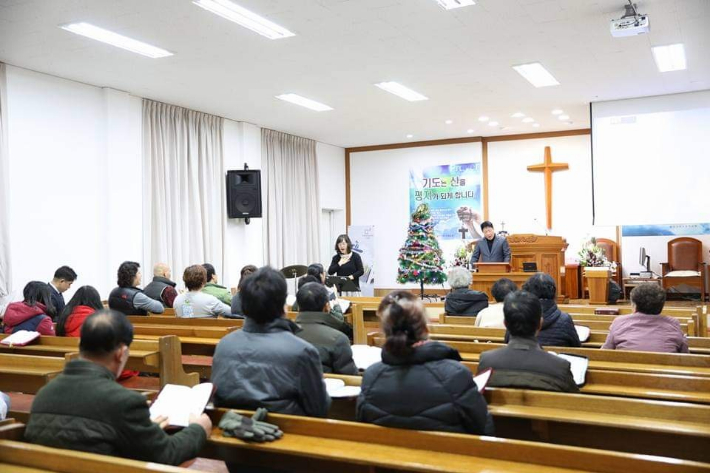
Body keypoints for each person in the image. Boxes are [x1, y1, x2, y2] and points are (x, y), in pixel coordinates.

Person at [25, 310, 211, 465]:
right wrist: (198, 428)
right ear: (121, 353)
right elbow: (167, 455)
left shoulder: (44, 393)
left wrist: (144, 429)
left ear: (81, 345)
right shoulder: (124, 402)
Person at [357, 291, 493, 435]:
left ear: (386, 332)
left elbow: (362, 424)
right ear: (425, 328)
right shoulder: (455, 374)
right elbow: (483, 428)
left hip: (385, 455)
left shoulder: (371, 376)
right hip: (447, 455)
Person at [211, 267, 330, 417]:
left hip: (228, 431)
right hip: (288, 433)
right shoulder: (302, 350)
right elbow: (318, 408)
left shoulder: (224, 345)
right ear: (283, 305)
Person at [477, 290, 579, 393]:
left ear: (505, 324)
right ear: (540, 324)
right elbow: (575, 402)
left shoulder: (486, 361)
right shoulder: (559, 366)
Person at [603, 283, 688, 353]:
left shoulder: (619, 321)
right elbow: (685, 354)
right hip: (664, 371)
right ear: (662, 305)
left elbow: (605, 352)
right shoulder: (673, 323)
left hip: (626, 371)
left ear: (634, 305)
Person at [295, 282, 358, 375]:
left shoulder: (283, 333)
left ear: (298, 307)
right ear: (327, 306)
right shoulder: (337, 339)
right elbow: (350, 377)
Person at [522, 273, 580, 347]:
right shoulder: (564, 319)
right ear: (553, 291)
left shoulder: (518, 317)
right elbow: (576, 347)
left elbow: (508, 341)